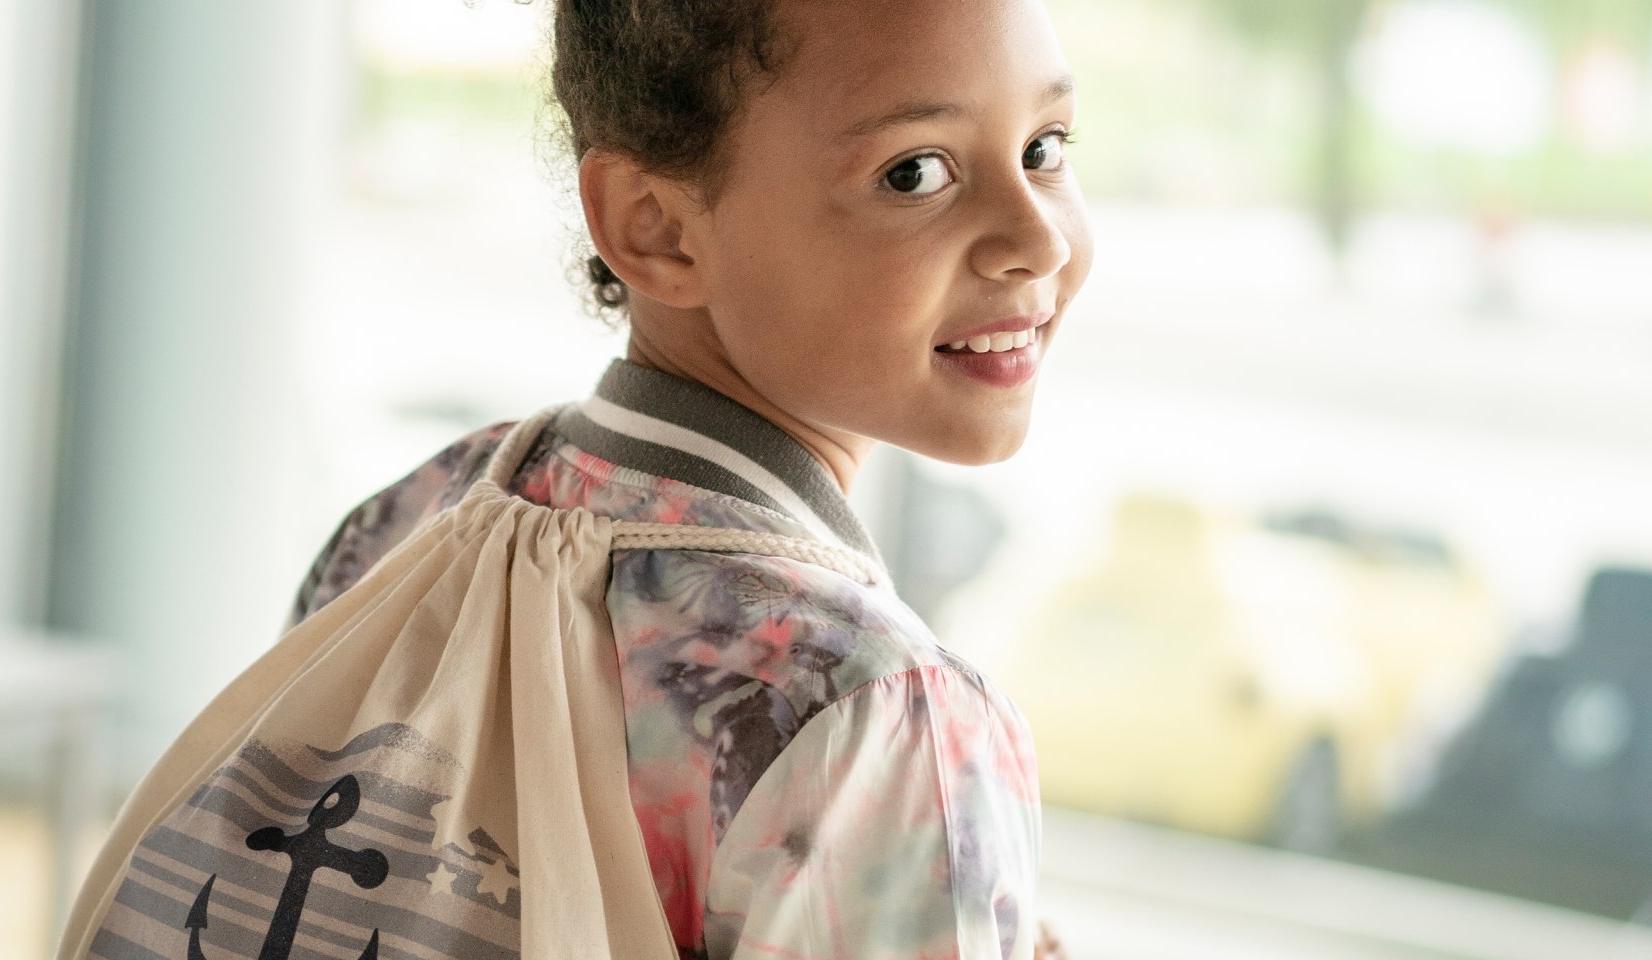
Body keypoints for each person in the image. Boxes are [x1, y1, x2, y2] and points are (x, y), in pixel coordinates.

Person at [288, 0, 1093, 956]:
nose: (1036, 238)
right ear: (658, 229)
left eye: (1045, 148)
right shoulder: (866, 712)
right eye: (914, 172)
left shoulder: (404, 526)